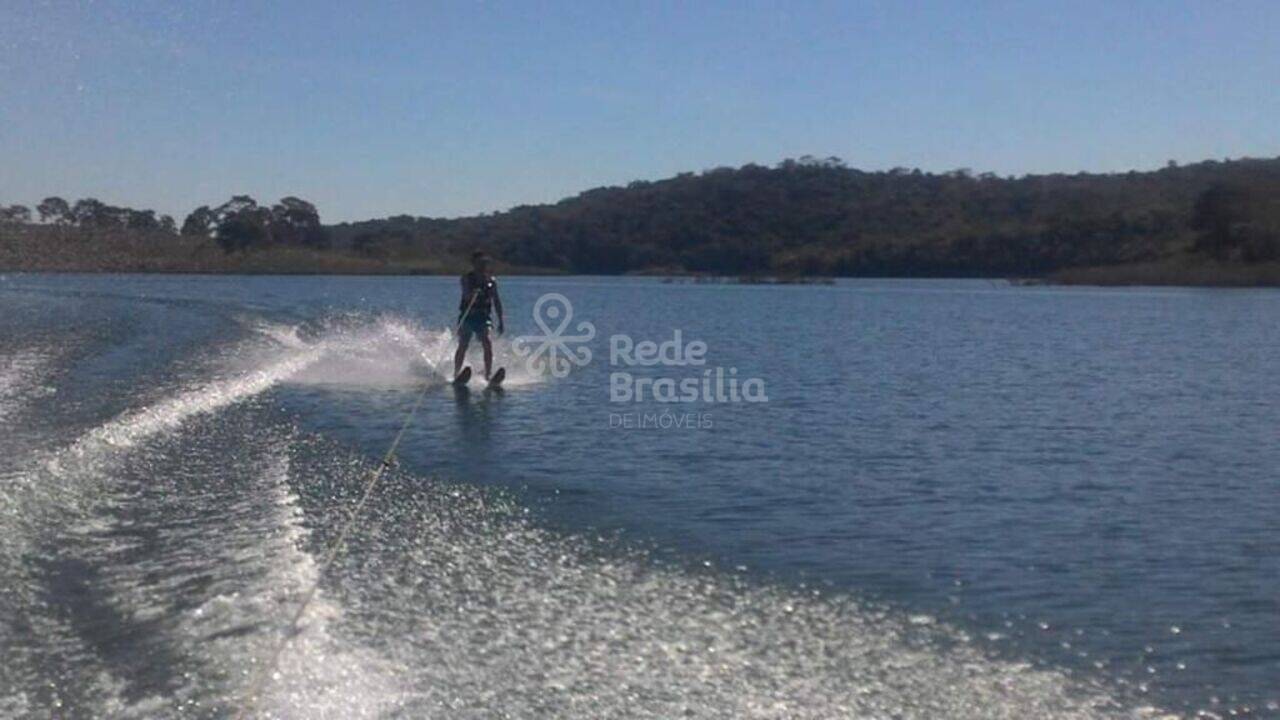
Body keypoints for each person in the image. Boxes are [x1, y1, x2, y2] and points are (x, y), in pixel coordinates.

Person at [454, 250, 504, 381]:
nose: (483, 266)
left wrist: (501, 321)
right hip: (468, 316)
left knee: (487, 342)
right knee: (463, 344)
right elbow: (465, 295)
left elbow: (497, 302)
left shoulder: (491, 282)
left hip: (483, 317)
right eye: (480, 263)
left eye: (485, 263)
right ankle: (456, 373)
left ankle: (488, 375)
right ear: (474, 264)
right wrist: (473, 293)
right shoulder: (466, 279)